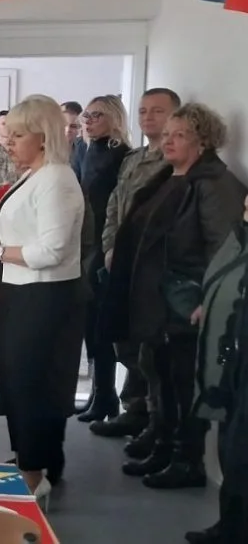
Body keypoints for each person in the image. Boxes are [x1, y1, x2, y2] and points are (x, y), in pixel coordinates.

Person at [100, 103, 245, 490]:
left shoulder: (214, 184)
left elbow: (225, 250)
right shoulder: (169, 176)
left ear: (203, 141)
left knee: (183, 383)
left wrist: (208, 300)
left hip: (188, 302)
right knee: (159, 374)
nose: (168, 141)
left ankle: (186, 460)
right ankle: (162, 444)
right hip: (157, 299)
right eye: (167, 134)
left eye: (179, 135)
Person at [0, 95, 85, 502]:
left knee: (33, 383)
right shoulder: (34, 175)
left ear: (43, 137)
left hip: (44, 297)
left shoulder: (57, 179)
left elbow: (52, 250)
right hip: (19, 292)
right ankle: (26, 462)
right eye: (8, 135)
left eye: (17, 136)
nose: (8, 143)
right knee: (15, 380)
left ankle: (34, 473)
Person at [91, 88, 181, 442]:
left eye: (157, 111)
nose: (148, 117)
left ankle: (147, 416)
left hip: (150, 265)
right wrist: (110, 246)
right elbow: (115, 205)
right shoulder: (134, 158)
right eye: (143, 111)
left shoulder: (173, 163)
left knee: (146, 343)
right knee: (124, 338)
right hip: (121, 260)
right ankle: (134, 408)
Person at [186, 195, 248, 543]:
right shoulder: (239, 236)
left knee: (240, 452)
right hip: (229, 365)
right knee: (231, 446)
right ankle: (230, 527)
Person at [74, 96, 133, 424]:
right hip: (84, 243)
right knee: (88, 324)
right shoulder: (82, 149)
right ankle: (99, 393)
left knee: (102, 324)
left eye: (96, 115)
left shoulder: (122, 155)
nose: (88, 120)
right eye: (86, 115)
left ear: (114, 118)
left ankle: (107, 394)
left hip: (105, 244)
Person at [64, 101, 87, 174]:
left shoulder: (84, 152)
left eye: (73, 126)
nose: (67, 130)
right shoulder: (43, 151)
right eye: (63, 124)